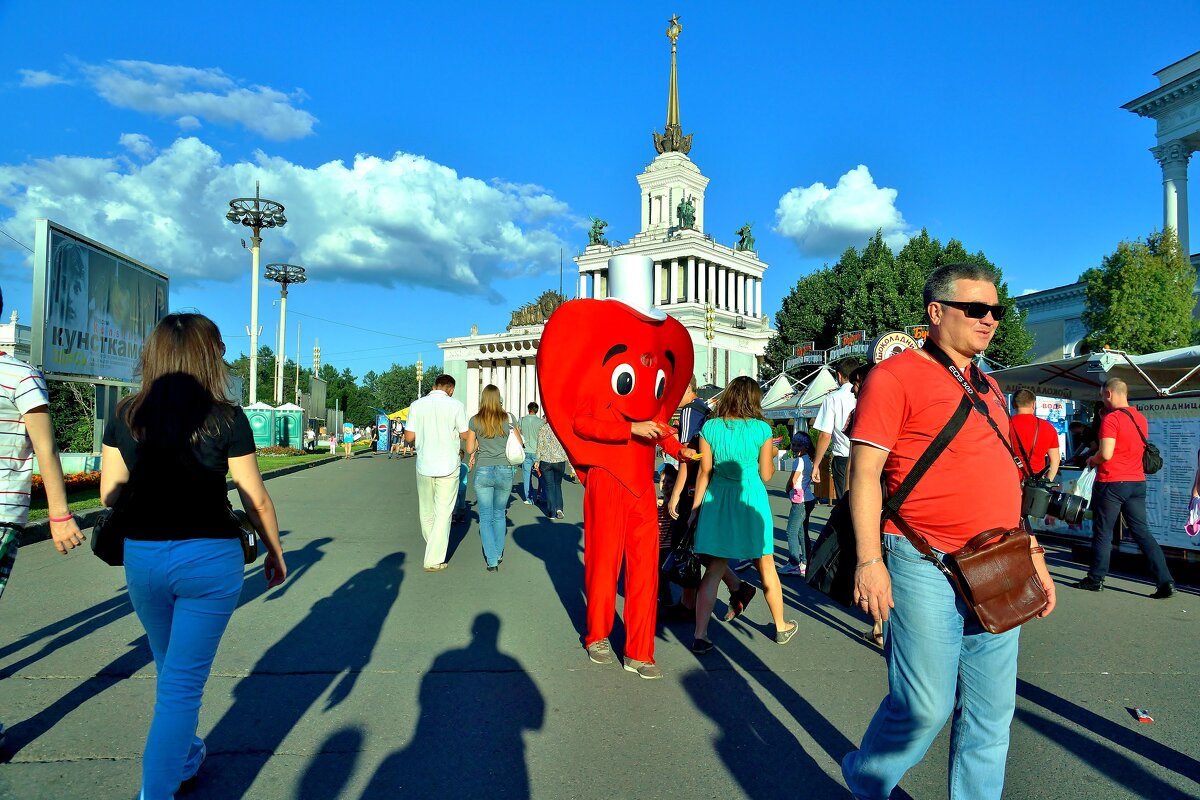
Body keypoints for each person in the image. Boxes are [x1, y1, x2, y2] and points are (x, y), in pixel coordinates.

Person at [841, 263, 1056, 799]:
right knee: (924, 707)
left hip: (999, 563)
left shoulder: (989, 387)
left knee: (990, 715)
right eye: (976, 309)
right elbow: (864, 472)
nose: (990, 321)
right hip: (922, 560)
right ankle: (867, 777)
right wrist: (870, 563)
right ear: (936, 313)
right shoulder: (893, 377)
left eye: (996, 311)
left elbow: (1007, 478)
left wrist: (1035, 556)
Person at [99, 313, 287, 799]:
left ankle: (182, 757)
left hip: (142, 558)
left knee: (170, 667)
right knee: (181, 685)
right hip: (208, 558)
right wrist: (275, 551)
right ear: (209, 357)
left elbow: (108, 495)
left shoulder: (125, 414)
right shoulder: (226, 416)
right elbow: (255, 497)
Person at [688, 376, 797, 654]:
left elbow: (704, 471)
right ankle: (781, 625)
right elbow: (766, 474)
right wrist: (771, 452)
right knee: (766, 564)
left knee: (714, 568)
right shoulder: (761, 429)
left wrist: (695, 508)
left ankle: (700, 633)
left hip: (717, 498)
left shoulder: (710, 427)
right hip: (750, 498)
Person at [661, 376, 754, 622]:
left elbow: (687, 457)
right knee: (697, 545)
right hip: (710, 487)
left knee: (687, 544)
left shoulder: (690, 412)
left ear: (688, 388)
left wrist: (676, 494)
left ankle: (692, 602)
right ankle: (733, 588)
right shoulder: (704, 409)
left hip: (694, 487)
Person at [1074, 378, 1175, 597]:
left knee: (1103, 533)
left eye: (1102, 396)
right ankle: (1165, 580)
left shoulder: (1112, 419)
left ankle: (1095, 579)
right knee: (1142, 532)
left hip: (1111, 482)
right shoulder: (1139, 418)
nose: (1103, 400)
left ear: (1109, 394)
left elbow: (1107, 454)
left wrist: (1092, 460)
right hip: (1137, 482)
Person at [405, 374, 469, 572]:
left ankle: (432, 547)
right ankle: (433, 559)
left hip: (424, 464)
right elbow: (465, 434)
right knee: (443, 513)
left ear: (434, 386)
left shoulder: (417, 405)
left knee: (426, 511)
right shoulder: (456, 405)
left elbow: (409, 437)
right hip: (448, 465)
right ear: (450, 388)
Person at [465, 385, 523, 571]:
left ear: (483, 399)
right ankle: (498, 552)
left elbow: (469, 449)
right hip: (505, 470)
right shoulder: (509, 418)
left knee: (485, 516)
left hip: (483, 470)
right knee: (499, 514)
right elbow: (520, 443)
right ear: (498, 398)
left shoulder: (475, 420)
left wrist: (480, 446)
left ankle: (491, 559)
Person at [811, 356, 861, 500]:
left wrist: (816, 465)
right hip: (865, 456)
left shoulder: (832, 398)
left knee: (845, 504)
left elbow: (825, 435)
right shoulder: (868, 393)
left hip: (843, 459)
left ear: (839, 376)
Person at [779, 433, 816, 577]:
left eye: (798, 445)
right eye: (793, 444)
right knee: (802, 531)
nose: (794, 447)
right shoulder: (808, 459)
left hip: (799, 500)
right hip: (809, 499)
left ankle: (793, 563)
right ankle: (805, 562)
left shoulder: (799, 461)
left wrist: (787, 489)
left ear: (805, 447)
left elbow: (792, 481)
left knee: (791, 531)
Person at [1009, 389, 1060, 482]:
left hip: (1010, 481)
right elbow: (1055, 460)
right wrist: (1047, 481)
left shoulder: (1004, 425)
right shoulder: (1048, 427)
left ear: (1013, 404)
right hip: (1036, 484)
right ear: (1034, 404)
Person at [534, 420, 568, 520]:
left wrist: (537, 461)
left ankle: (551, 512)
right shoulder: (561, 427)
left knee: (549, 486)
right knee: (558, 484)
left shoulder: (543, 428)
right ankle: (559, 509)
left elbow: (539, 445)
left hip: (546, 460)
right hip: (560, 460)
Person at [517, 402, 545, 505]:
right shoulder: (540, 422)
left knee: (526, 475)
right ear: (537, 410)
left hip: (525, 450)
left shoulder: (522, 420)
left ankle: (529, 498)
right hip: (537, 451)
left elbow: (518, 432)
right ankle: (542, 495)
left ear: (528, 409)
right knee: (541, 475)